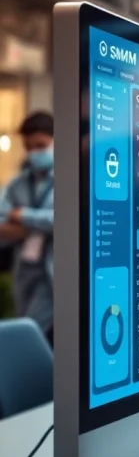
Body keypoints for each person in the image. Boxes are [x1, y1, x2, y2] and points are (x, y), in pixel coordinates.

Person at [0, 112, 56, 343]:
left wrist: (21, 215)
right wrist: (39, 225)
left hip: (53, 270)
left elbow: (62, 220)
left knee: (30, 331)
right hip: (24, 268)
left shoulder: (71, 179)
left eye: (40, 146)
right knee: (25, 325)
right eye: (28, 147)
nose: (34, 152)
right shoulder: (18, 183)